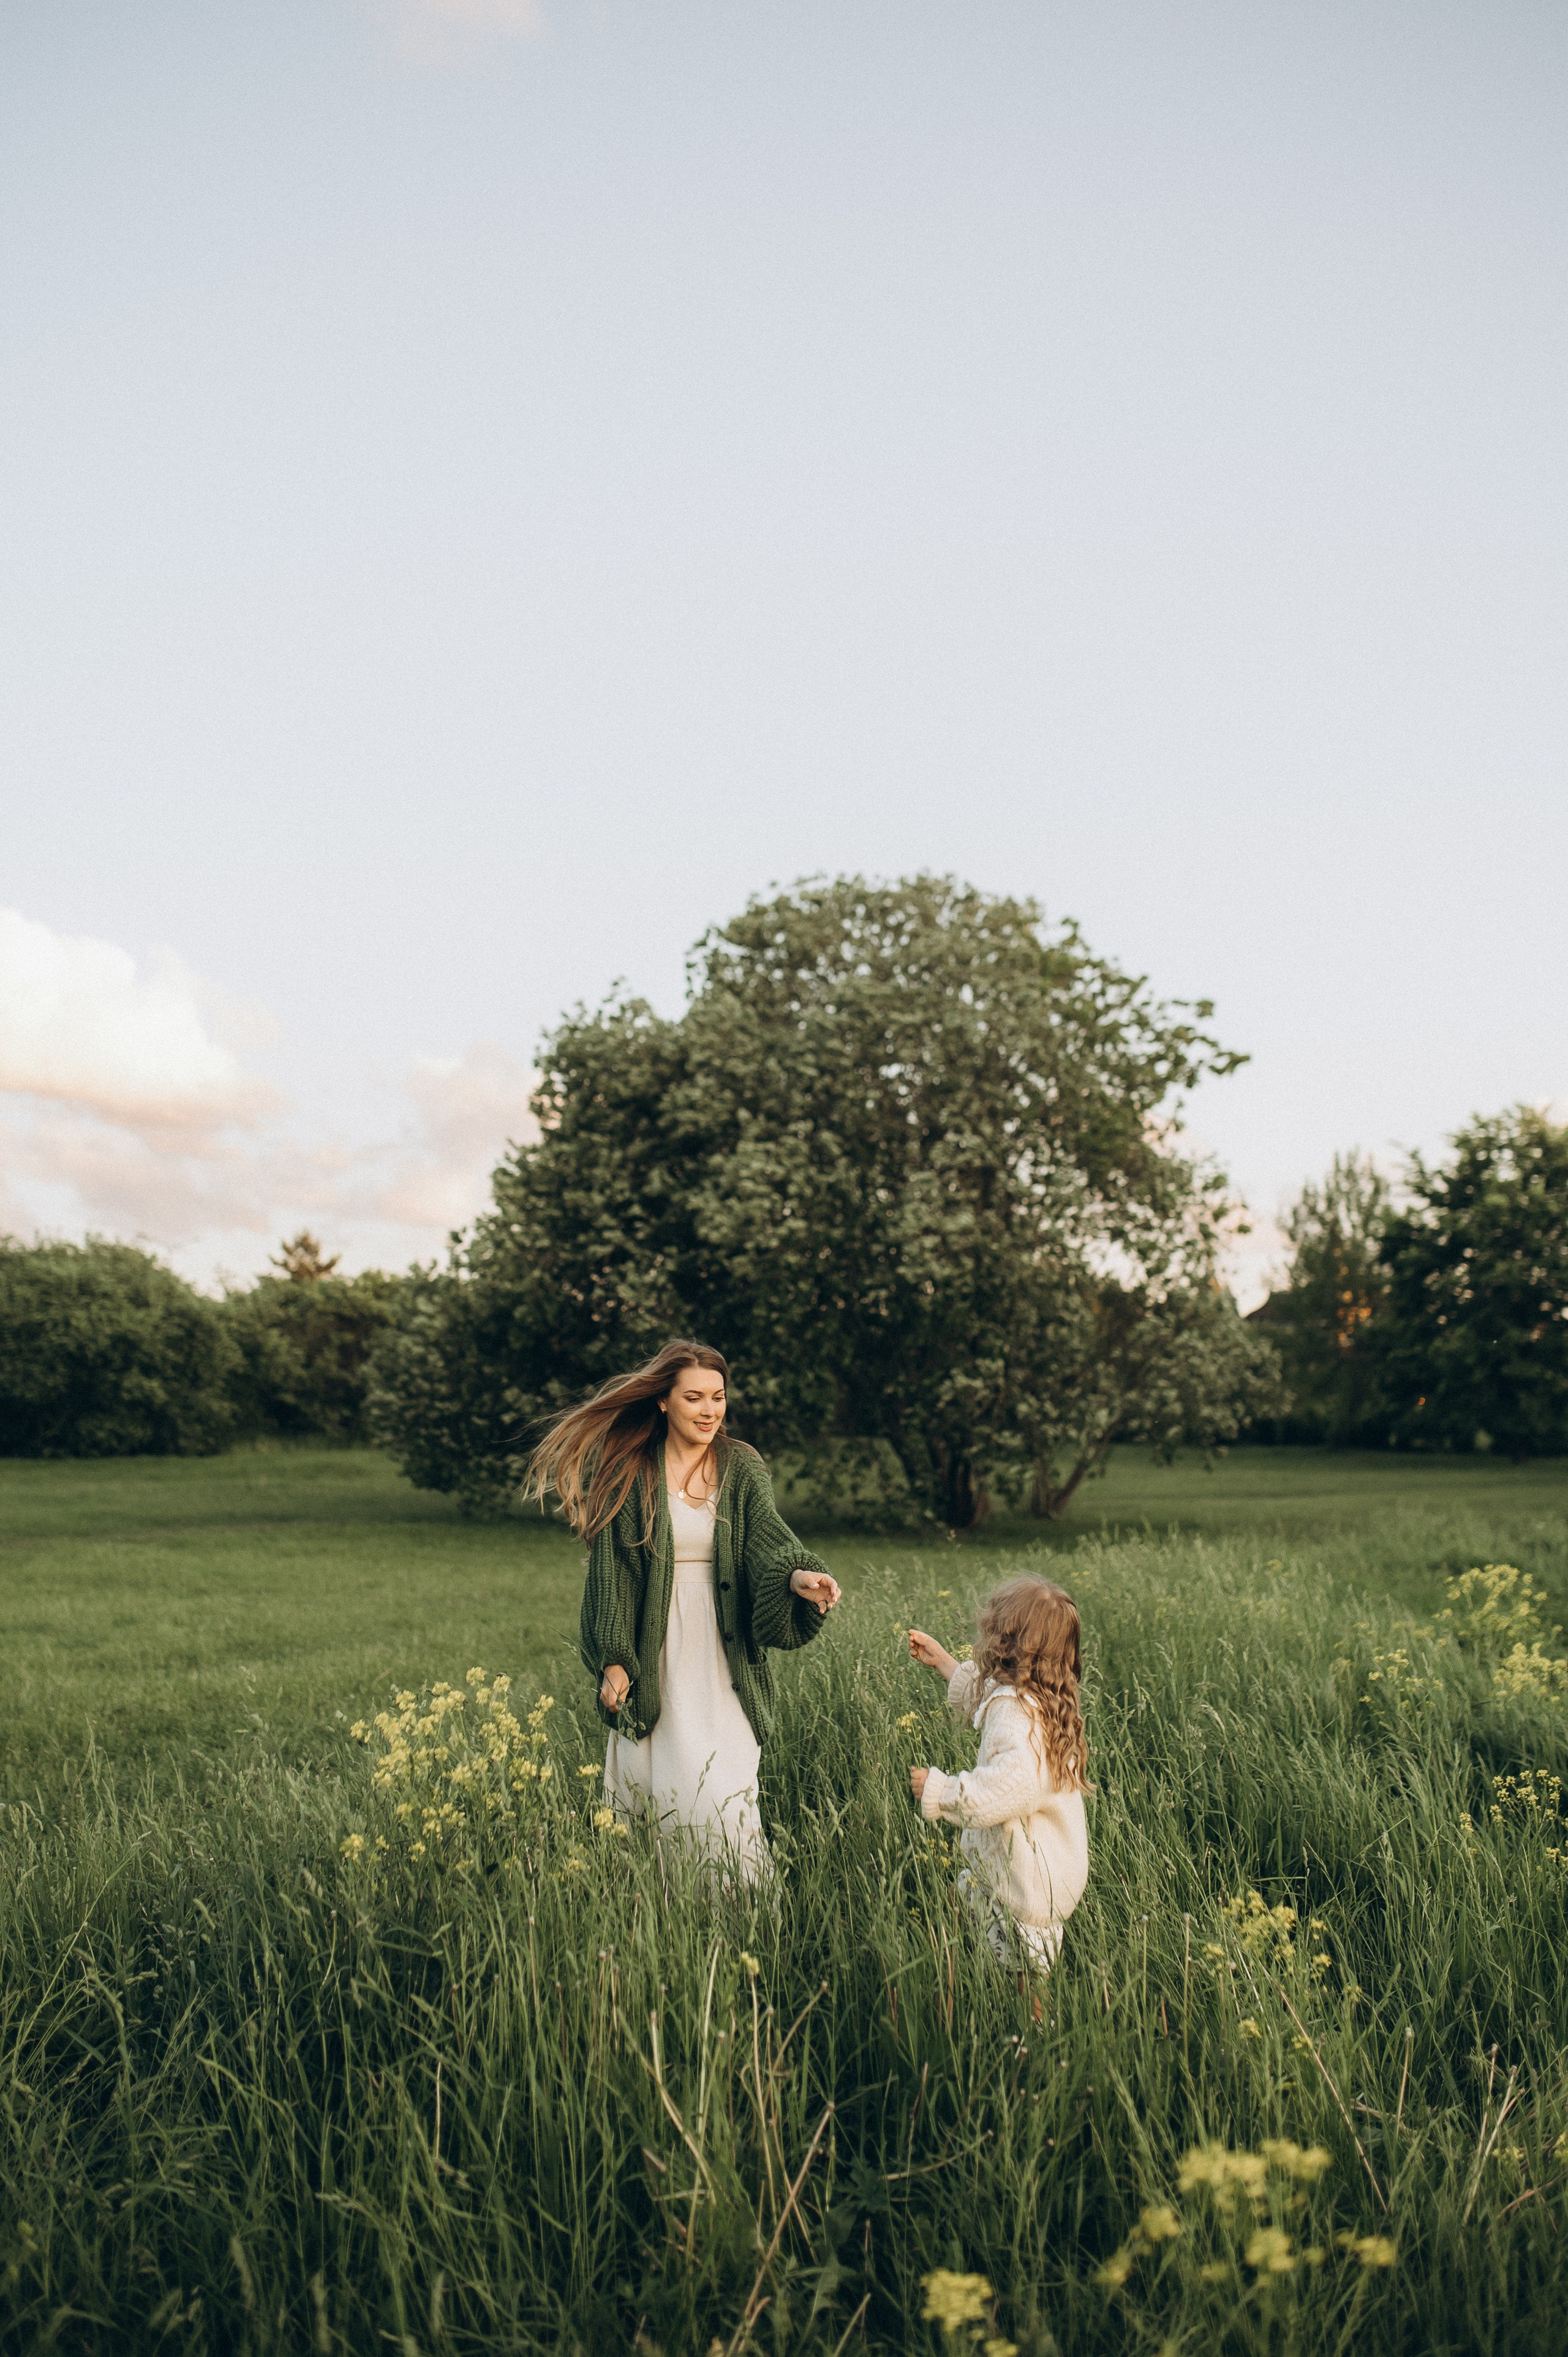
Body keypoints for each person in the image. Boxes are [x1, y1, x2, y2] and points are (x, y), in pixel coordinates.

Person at [526, 1340, 842, 1878]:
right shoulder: (631, 1471)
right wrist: (614, 1661)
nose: (709, 1410)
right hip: (658, 1660)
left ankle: (742, 1912)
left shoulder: (741, 1466)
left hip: (724, 1661)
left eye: (718, 1397)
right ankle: (658, 1915)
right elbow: (613, 1575)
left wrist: (798, 1577)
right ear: (663, 1401)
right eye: (694, 1398)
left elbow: (768, 1542)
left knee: (723, 1797)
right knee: (658, 1794)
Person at [907, 1576, 1091, 1975]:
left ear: (1006, 1644)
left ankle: (1017, 2019)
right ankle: (963, 1977)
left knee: (1023, 1983)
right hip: (1033, 1876)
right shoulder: (1042, 1696)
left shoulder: (1017, 1713)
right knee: (962, 1904)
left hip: (1024, 1892)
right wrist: (943, 1662)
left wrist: (940, 1791)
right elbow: (986, 1693)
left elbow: (1005, 1789)